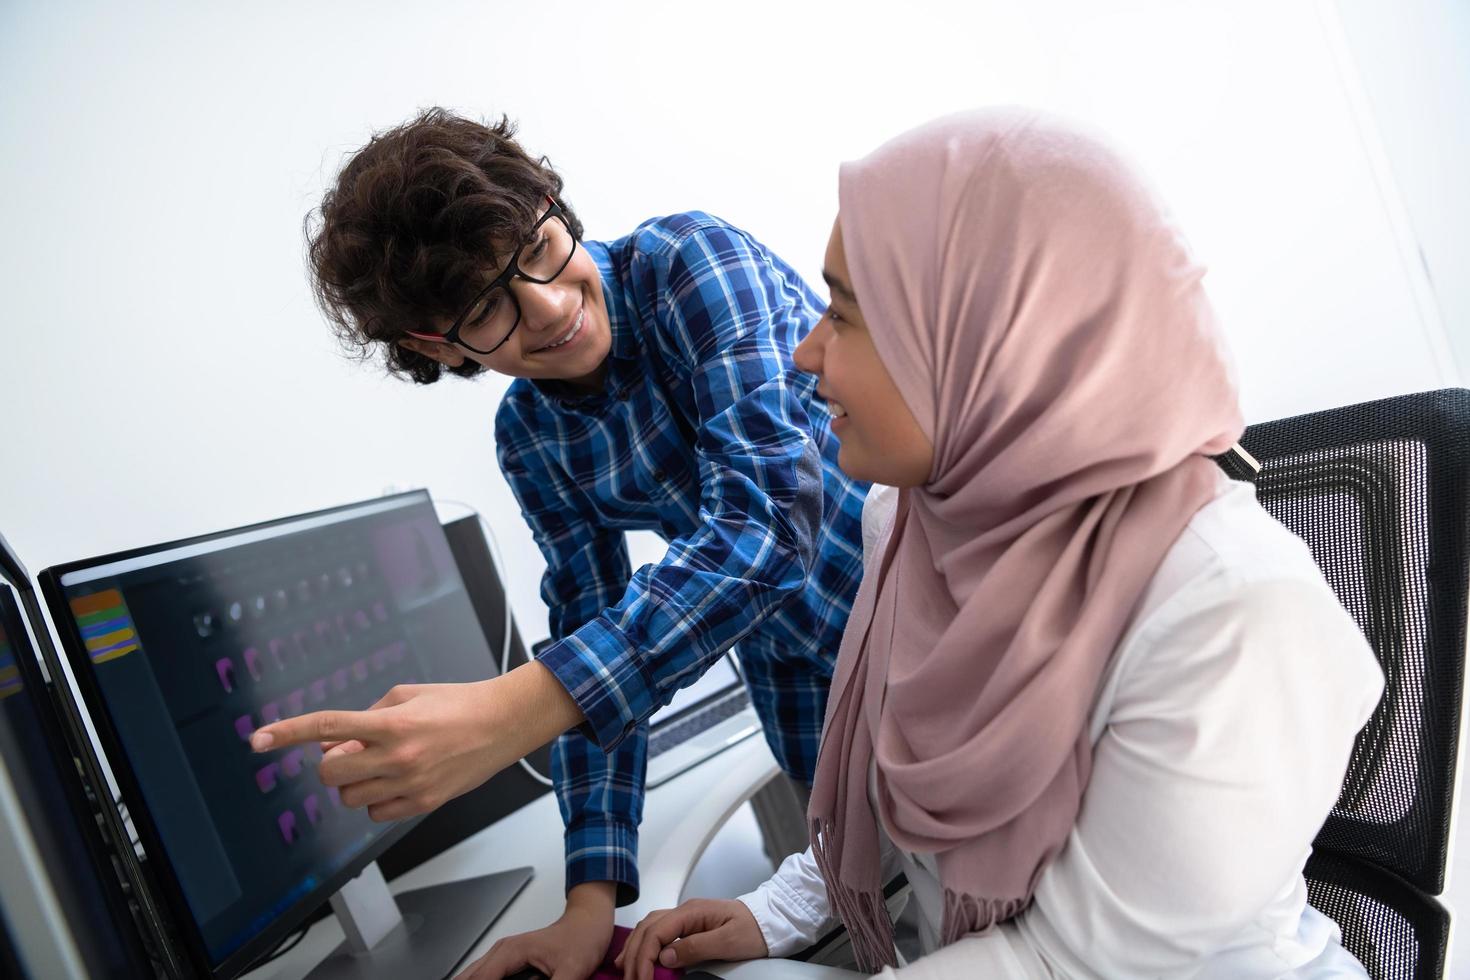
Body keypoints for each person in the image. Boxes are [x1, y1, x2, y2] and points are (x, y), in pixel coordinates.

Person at [615, 108, 1385, 979]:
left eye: (847, 312)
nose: (804, 352)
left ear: (986, 335)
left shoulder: (1234, 606)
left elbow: (1066, 962)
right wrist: (783, 909)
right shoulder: (907, 522)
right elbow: (907, 809)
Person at [257, 109, 869, 979]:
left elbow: (769, 525)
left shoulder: (692, 264)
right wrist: (589, 906)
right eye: (484, 307)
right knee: (902, 918)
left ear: (549, 199)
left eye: (537, 249)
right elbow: (588, 622)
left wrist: (511, 713)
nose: (547, 307)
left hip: (946, 627)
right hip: (815, 701)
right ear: (436, 344)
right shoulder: (532, 441)